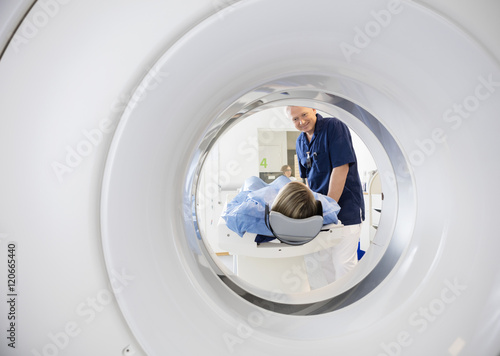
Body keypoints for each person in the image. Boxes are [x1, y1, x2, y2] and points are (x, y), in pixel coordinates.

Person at [288, 106, 365, 281]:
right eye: (294, 119)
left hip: (345, 210)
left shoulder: (334, 127)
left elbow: (341, 167)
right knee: (325, 265)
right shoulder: (300, 142)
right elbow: (308, 180)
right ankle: (335, 305)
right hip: (320, 214)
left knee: (343, 264)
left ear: (314, 109)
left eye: (304, 114)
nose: (301, 121)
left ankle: (350, 305)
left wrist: (329, 207)